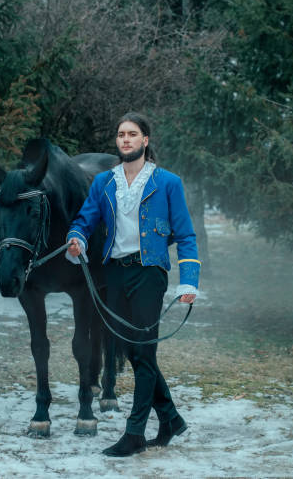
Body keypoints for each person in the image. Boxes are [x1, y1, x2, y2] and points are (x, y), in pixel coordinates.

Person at [66, 112, 201, 457]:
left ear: (145, 141)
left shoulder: (167, 182)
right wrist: (76, 238)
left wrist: (189, 282)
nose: (125, 139)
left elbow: (185, 234)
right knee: (132, 349)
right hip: (114, 272)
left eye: (133, 134)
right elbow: (85, 218)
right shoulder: (104, 183)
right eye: (121, 134)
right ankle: (169, 418)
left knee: (144, 351)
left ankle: (135, 433)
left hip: (149, 273)